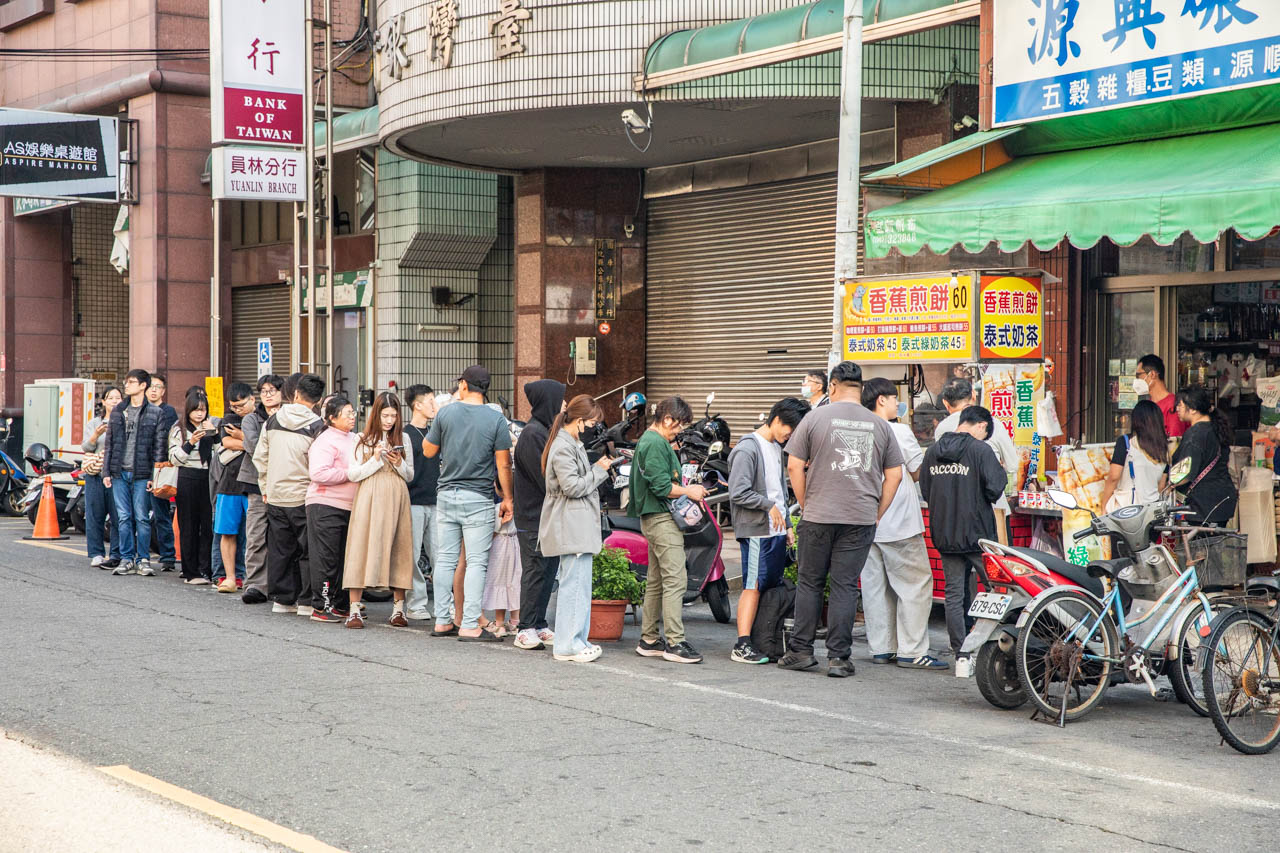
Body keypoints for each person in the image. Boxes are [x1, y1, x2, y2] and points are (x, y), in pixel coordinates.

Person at [779, 361, 904, 678]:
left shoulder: (814, 418)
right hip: (860, 518)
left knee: (810, 582)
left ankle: (801, 652)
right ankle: (838, 658)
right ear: (860, 388)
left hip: (819, 515)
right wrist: (876, 512)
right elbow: (896, 475)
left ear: (832, 386)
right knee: (845, 586)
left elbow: (795, 466)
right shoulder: (880, 425)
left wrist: (807, 503)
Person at [860, 378, 946, 671]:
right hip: (898, 520)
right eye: (894, 398)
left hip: (866, 520)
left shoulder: (857, 428)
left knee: (875, 588)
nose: (898, 404)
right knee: (914, 585)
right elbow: (916, 470)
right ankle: (911, 650)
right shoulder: (897, 430)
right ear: (881, 400)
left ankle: (882, 648)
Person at [423, 365, 513, 641]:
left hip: (447, 494)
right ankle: (470, 624)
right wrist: (508, 497)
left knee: (446, 560)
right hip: (479, 497)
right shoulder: (496, 419)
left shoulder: (446, 412)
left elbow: (428, 450)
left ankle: (442, 620)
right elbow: (503, 464)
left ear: (463, 385)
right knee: (476, 562)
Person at [725, 396, 810, 664]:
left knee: (766, 586)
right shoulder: (747, 449)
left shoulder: (775, 447)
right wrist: (768, 505)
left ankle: (761, 640)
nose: (791, 436)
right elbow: (738, 492)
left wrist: (786, 525)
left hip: (774, 531)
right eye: (790, 429)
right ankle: (742, 644)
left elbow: (778, 490)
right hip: (756, 530)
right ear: (776, 420)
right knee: (752, 585)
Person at [919, 406, 1007, 660]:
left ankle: (961, 651)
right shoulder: (981, 450)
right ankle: (995, 646)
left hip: (945, 534)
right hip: (978, 535)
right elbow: (995, 489)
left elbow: (926, 491)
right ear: (981, 425)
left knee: (953, 594)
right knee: (997, 589)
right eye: (986, 432)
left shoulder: (933, 451)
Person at [538, 394, 616, 662]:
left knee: (580, 585)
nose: (594, 427)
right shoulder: (563, 446)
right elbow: (572, 487)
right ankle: (568, 645)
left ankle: (576, 640)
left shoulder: (569, 442)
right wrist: (599, 470)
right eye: (592, 422)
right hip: (570, 523)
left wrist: (595, 469)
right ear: (581, 421)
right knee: (574, 585)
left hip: (575, 523)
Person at [630, 396, 707, 665]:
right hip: (661, 518)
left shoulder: (654, 441)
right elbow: (662, 487)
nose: (680, 430)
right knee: (676, 579)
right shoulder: (654, 443)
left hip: (656, 517)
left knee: (657, 580)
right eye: (679, 425)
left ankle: (649, 639)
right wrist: (690, 490)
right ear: (666, 420)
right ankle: (675, 642)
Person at [254, 373, 325, 615]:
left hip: (275, 494)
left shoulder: (272, 421)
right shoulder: (318, 426)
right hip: (304, 496)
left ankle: (283, 600)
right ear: (318, 399)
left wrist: (265, 487)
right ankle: (306, 601)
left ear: (295, 394)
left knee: (280, 548)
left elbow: (260, 458)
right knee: (307, 550)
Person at [343, 392, 415, 629]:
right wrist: (374, 459)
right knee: (361, 546)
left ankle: (398, 609)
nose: (389, 420)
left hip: (397, 494)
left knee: (399, 547)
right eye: (385, 415)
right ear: (376, 414)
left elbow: (410, 475)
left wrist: (398, 462)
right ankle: (354, 609)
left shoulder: (403, 437)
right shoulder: (361, 438)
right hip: (369, 495)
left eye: (394, 415)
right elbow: (353, 474)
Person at [511, 379, 566, 651]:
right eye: (561, 400)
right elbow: (543, 477)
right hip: (533, 516)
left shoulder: (544, 430)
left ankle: (539, 623)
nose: (564, 405)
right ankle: (525, 628)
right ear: (550, 402)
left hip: (545, 515)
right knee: (535, 570)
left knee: (548, 570)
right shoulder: (533, 434)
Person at [102, 369, 168, 577]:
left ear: (143, 386)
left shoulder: (155, 413)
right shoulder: (118, 411)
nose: (127, 385)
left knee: (142, 518)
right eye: (127, 382)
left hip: (142, 474)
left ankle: (143, 559)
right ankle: (127, 558)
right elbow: (110, 443)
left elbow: (159, 448)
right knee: (122, 517)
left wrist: (154, 476)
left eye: (131, 382)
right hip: (119, 472)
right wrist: (106, 471)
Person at [934, 376, 1016, 540]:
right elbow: (1013, 464)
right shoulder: (991, 422)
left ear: (945, 402)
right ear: (973, 395)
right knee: (995, 562)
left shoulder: (942, 428)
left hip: (955, 513)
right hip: (993, 511)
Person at [306, 395, 359, 623]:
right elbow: (318, 473)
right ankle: (321, 606)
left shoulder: (355, 438)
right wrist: (350, 474)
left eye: (353, 412)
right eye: (347, 413)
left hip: (350, 506)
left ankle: (340, 604)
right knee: (326, 558)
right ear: (331, 418)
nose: (353, 417)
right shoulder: (325, 440)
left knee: (342, 558)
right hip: (325, 505)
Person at [232, 374, 283, 604]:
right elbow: (253, 447)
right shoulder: (252, 419)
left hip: (285, 483)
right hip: (256, 482)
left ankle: (280, 583)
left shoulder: (289, 417)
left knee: (282, 536)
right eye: (264, 391)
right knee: (256, 535)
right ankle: (256, 584)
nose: (268, 394)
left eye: (273, 390)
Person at [168, 389, 217, 586]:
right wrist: (191, 442)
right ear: (188, 410)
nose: (199, 414)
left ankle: (206, 569)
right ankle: (190, 571)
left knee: (207, 526)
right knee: (188, 525)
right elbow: (174, 458)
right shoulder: (179, 429)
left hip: (208, 478)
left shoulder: (211, 428)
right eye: (195, 410)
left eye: (203, 410)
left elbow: (219, 453)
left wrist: (214, 435)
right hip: (187, 477)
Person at [210, 384, 255, 593]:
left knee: (255, 534)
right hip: (229, 483)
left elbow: (264, 443)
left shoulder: (262, 418)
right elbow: (227, 442)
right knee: (227, 532)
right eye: (234, 406)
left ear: (252, 399)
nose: (238, 409)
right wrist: (246, 440)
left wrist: (241, 437)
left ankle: (251, 578)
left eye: (241, 405)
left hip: (254, 484)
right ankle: (229, 577)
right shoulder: (228, 419)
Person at [1172, 386, 1238, 525]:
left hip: (1203, 504)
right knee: (1216, 544)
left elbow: (1183, 474)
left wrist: (1168, 484)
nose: (1177, 408)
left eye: (1180, 404)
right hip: (1222, 499)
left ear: (1193, 408)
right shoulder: (1216, 428)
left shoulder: (1195, 434)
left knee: (1201, 545)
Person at [402, 384, 440, 621]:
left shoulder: (436, 432)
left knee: (440, 555)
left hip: (436, 501)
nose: (435, 406)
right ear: (417, 405)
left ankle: (443, 605)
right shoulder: (405, 434)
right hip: (413, 501)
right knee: (413, 554)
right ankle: (415, 603)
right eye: (430, 402)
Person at [1100, 399, 1169, 510]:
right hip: (1152, 508)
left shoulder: (1126, 442)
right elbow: (1161, 486)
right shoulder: (1164, 449)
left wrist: (1104, 504)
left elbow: (1114, 477)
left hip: (1128, 509)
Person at [84, 387, 123, 569]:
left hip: (117, 475)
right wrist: (96, 435)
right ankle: (96, 553)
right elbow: (86, 447)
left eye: (118, 397)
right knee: (95, 515)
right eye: (111, 398)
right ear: (104, 402)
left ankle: (116, 552)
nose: (115, 401)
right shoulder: (94, 423)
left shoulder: (125, 420)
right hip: (96, 474)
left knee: (117, 515)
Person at [146, 374, 179, 572]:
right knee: (137, 514)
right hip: (140, 467)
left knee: (161, 514)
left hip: (160, 468)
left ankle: (168, 556)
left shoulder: (168, 412)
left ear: (163, 391)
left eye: (158, 387)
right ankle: (136, 554)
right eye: (150, 386)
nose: (154, 390)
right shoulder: (137, 410)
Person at [1136, 354, 1186, 440]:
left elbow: (1174, 444)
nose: (1136, 380)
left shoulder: (1173, 405)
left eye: (1138, 375)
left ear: (1152, 374)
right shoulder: (1149, 404)